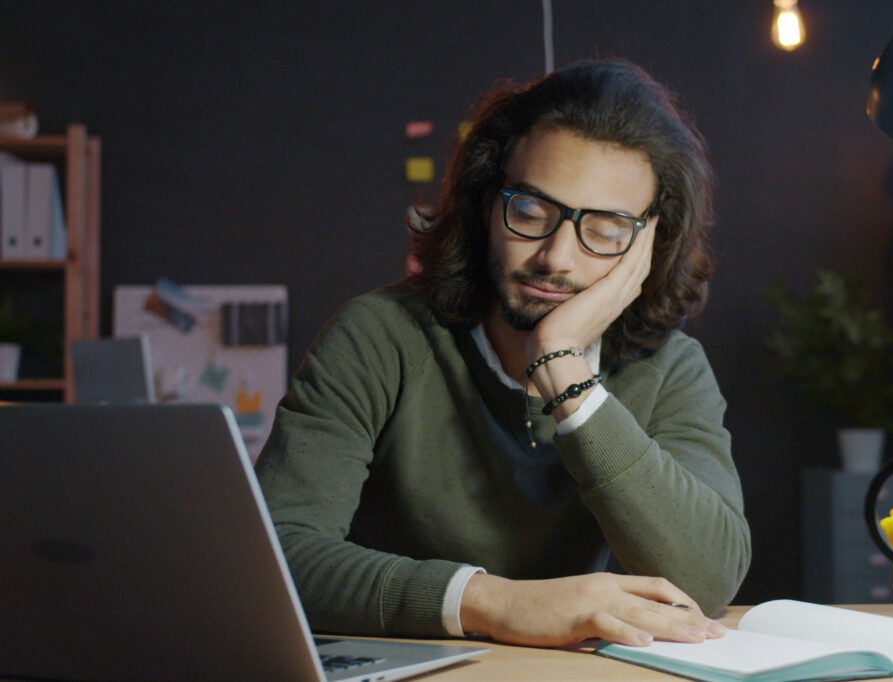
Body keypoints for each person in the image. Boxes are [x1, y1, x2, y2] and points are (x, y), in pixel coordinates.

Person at [255, 58, 751, 649]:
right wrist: (495, 603)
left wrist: (564, 366)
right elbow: (278, 557)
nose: (557, 258)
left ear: (648, 244)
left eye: (606, 229)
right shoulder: (379, 336)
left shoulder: (670, 369)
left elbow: (708, 580)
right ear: (487, 203)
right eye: (532, 211)